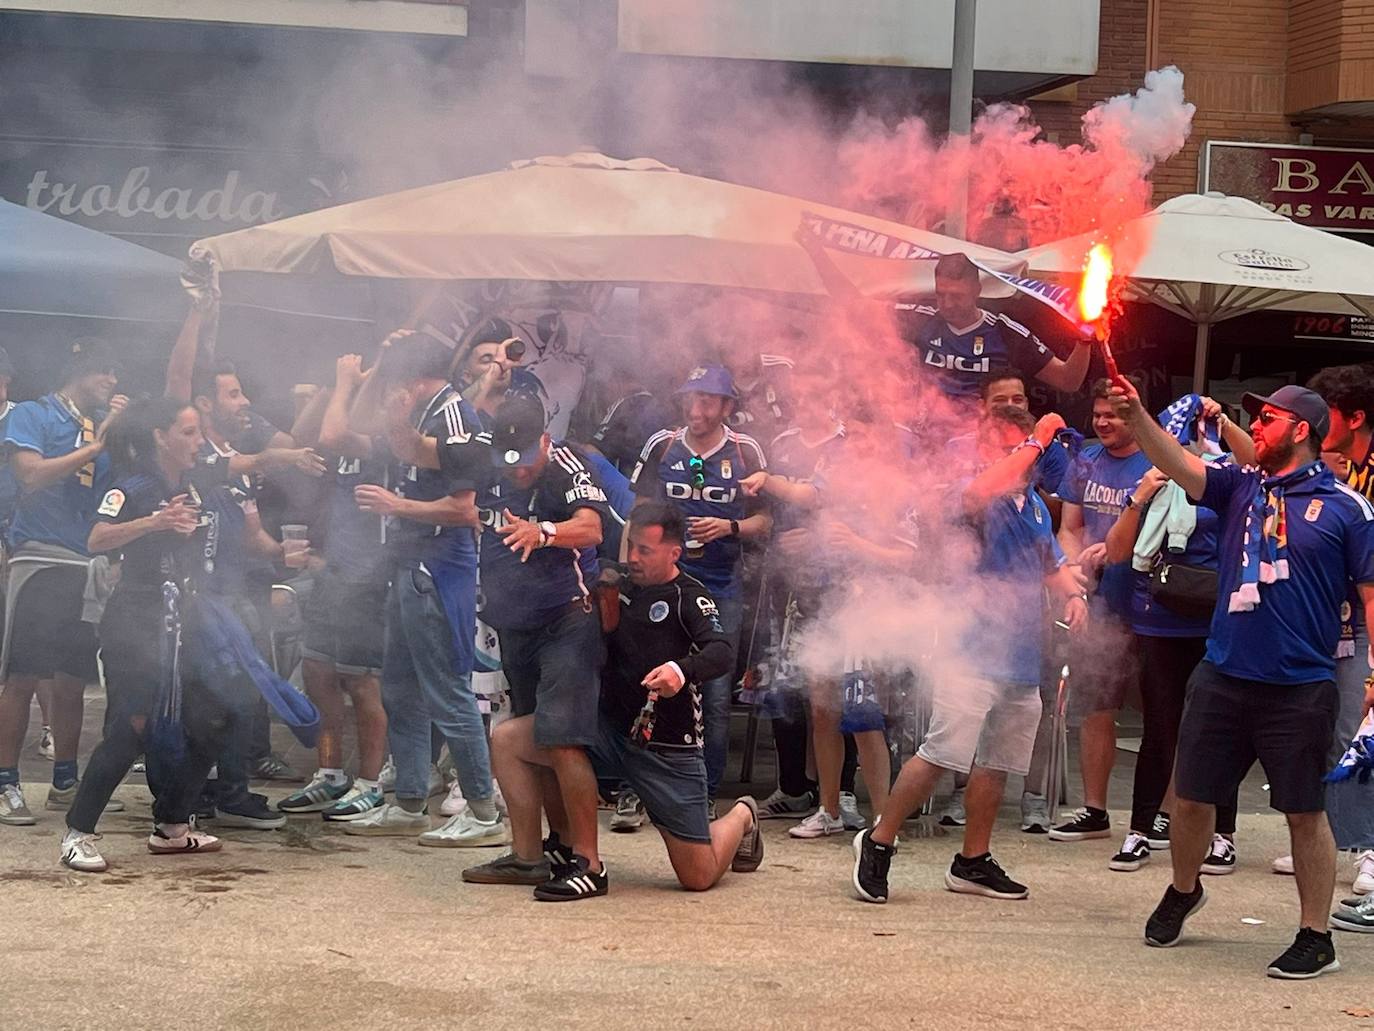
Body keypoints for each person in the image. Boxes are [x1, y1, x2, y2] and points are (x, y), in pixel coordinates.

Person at [1113, 379, 1374, 979]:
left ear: (1301, 430)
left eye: (1269, 418)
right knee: (1190, 796)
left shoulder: (1347, 509)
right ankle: (1184, 889)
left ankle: (1316, 935)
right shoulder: (1239, 488)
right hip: (1223, 672)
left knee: (1305, 813)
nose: (1254, 426)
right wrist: (1140, 417)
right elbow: (1176, 462)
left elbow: (1369, 594)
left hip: (1301, 685)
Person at [852, 405, 1086, 903]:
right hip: (971, 651)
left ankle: (972, 861)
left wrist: (1074, 596)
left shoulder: (1037, 506)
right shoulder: (975, 494)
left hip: (1022, 655)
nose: (1026, 456)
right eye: (1011, 445)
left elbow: (1052, 565)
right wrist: (1039, 437)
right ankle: (878, 841)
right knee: (942, 754)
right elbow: (980, 490)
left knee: (997, 761)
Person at [60, 398, 288, 870]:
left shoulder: (192, 485)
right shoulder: (134, 485)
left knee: (218, 717)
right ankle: (77, 832)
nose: (197, 440)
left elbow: (236, 476)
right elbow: (96, 539)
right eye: (187, 432)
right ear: (160, 436)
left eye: (198, 431)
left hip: (185, 622)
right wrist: (154, 523)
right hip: (135, 621)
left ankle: (171, 825)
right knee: (133, 725)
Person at [339, 332, 503, 847]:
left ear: (411, 379)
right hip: (407, 563)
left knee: (448, 689)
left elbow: (465, 508)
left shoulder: (455, 416)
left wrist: (397, 506)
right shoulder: (422, 410)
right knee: (400, 686)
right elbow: (353, 429)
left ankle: (481, 812)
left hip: (439, 566)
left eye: (392, 375)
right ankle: (409, 801)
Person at [458, 392, 612, 900]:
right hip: (514, 624)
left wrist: (543, 532)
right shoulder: (491, 463)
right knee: (533, 742)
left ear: (544, 440)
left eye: (526, 458)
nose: (519, 470)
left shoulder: (565, 465)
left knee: (562, 738)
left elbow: (592, 528)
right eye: (510, 460)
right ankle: (540, 853)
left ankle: (591, 863)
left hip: (566, 620)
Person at [1100, 395, 1253, 875]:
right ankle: (1140, 830)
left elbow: (1254, 461)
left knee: (1220, 731)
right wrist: (1139, 496)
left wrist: (1224, 421)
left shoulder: (1227, 475)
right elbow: (1117, 553)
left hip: (1215, 623)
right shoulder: (1151, 478)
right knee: (1159, 732)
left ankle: (1223, 835)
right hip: (1159, 619)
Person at [588, 503, 763, 888]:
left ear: (674, 554)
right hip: (612, 733)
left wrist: (680, 670)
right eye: (631, 546)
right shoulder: (617, 585)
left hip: (669, 746)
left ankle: (742, 816)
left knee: (698, 876)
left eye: (645, 551)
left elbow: (720, 651)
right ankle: (575, 857)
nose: (633, 558)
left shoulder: (690, 597)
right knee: (532, 743)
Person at [629, 363, 772, 802]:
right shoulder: (664, 443)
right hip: (662, 582)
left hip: (720, 583)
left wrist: (728, 528)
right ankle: (637, 788)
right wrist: (629, 568)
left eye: (707, 399)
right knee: (644, 677)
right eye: (691, 397)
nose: (697, 407)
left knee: (712, 690)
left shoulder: (747, 450)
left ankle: (703, 792)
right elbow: (639, 513)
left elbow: (766, 522)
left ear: (727, 405)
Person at [0, 340, 124, 827]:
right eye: (107, 370)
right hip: (36, 560)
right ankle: (6, 782)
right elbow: (29, 475)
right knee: (21, 678)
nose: (113, 381)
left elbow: (110, 494)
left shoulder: (98, 428)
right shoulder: (34, 414)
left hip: (82, 564)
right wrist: (95, 447)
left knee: (72, 681)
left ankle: (65, 781)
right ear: (79, 369)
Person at [275, 354, 390, 821]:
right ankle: (329, 772)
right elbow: (299, 439)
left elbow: (330, 433)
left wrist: (347, 383)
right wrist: (329, 388)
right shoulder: (338, 439)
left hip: (368, 576)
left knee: (363, 685)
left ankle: (370, 781)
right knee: (318, 673)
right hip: (330, 572)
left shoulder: (378, 438)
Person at [795, 229, 1091, 401]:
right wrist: (817, 254)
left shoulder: (1005, 331)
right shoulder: (921, 318)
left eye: (956, 296)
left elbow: (1068, 380)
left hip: (983, 446)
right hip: (926, 441)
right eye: (941, 294)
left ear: (977, 289)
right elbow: (854, 306)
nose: (946, 303)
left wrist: (1084, 340)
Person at [1048, 376, 1152, 843]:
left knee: (1162, 712)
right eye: (1097, 415)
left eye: (1112, 414)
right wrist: (1073, 564)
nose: (1103, 422)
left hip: (1153, 602)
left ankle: (1163, 814)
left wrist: (1110, 552)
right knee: (1096, 707)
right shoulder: (1084, 462)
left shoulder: (1157, 463)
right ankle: (1095, 810)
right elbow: (1069, 526)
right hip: (1099, 603)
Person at [1305, 363, 1374, 895]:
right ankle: (1339, 840)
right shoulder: (1353, 470)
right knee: (1345, 740)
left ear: (1353, 417)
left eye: (1322, 411)